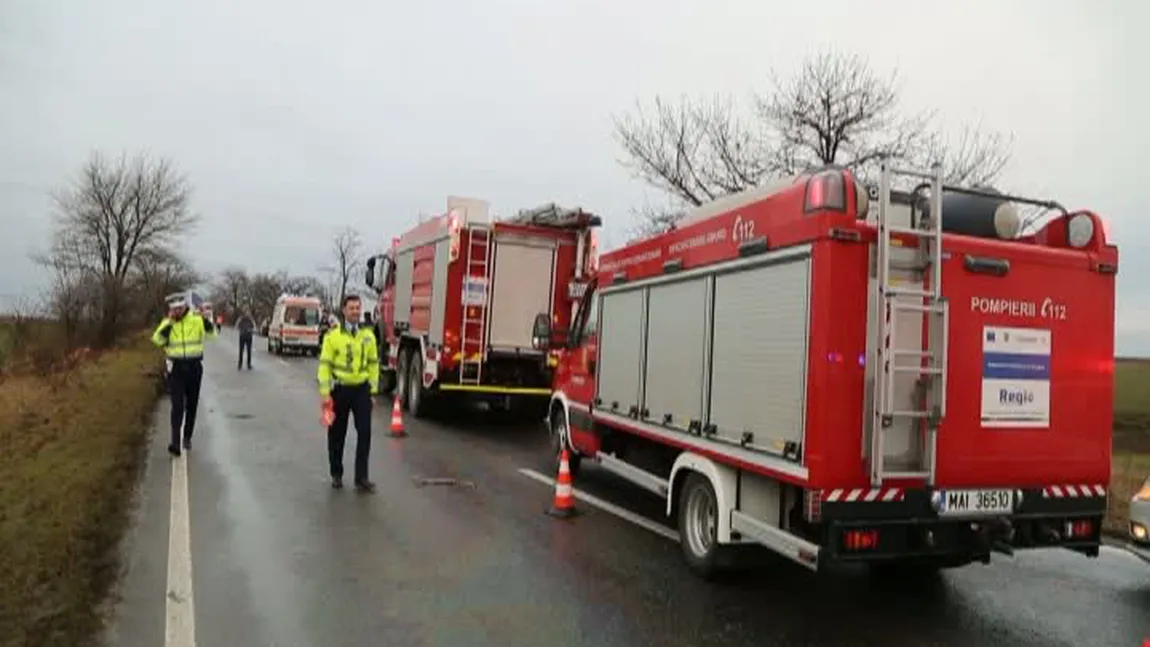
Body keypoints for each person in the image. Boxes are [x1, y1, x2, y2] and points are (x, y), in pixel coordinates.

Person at [317, 294, 379, 492]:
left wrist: (372, 391)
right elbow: (324, 366)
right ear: (343, 311)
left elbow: (373, 364)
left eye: (358, 308)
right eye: (351, 308)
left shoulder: (368, 336)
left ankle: (362, 477)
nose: (355, 312)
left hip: (361, 390)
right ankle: (336, 473)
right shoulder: (332, 336)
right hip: (340, 390)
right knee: (336, 434)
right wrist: (326, 394)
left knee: (365, 433)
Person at [152, 291, 217, 457]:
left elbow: (212, 335)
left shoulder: (196, 320)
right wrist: (169, 325)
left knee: (192, 405)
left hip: (194, 367)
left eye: (180, 309)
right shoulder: (168, 323)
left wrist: (206, 320)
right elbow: (157, 340)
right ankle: (175, 442)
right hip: (176, 368)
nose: (177, 312)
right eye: (174, 310)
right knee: (177, 406)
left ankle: (187, 437)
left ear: (185, 307)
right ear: (170, 310)